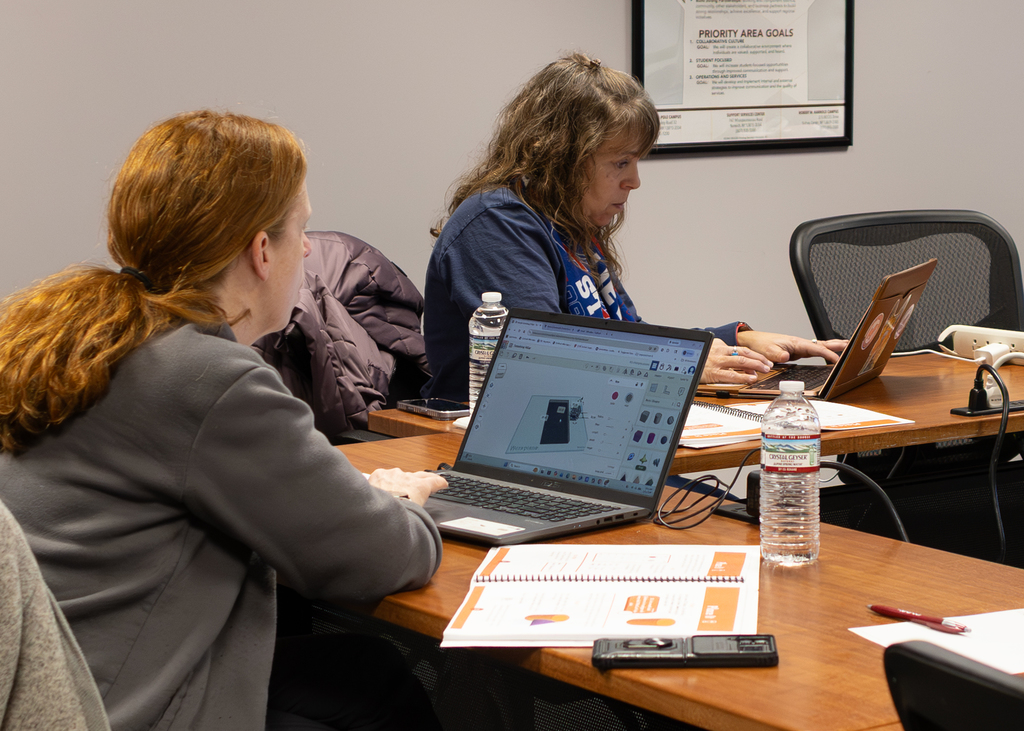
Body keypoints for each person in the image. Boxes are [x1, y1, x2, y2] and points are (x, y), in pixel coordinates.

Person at [0, 111, 446, 731]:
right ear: (262, 251)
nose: (312, 250)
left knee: (360, 670)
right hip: (119, 709)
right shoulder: (203, 377)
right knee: (373, 688)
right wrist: (406, 502)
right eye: (303, 230)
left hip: (61, 691)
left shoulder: (71, 336)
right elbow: (385, 554)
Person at [422, 52, 845, 401]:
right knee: (726, 505)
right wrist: (685, 362)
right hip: (514, 454)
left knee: (727, 503)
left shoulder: (569, 225)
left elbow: (626, 338)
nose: (634, 181)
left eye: (637, 161)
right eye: (620, 162)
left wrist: (736, 340)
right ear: (554, 155)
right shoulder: (497, 224)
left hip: (587, 436)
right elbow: (544, 361)